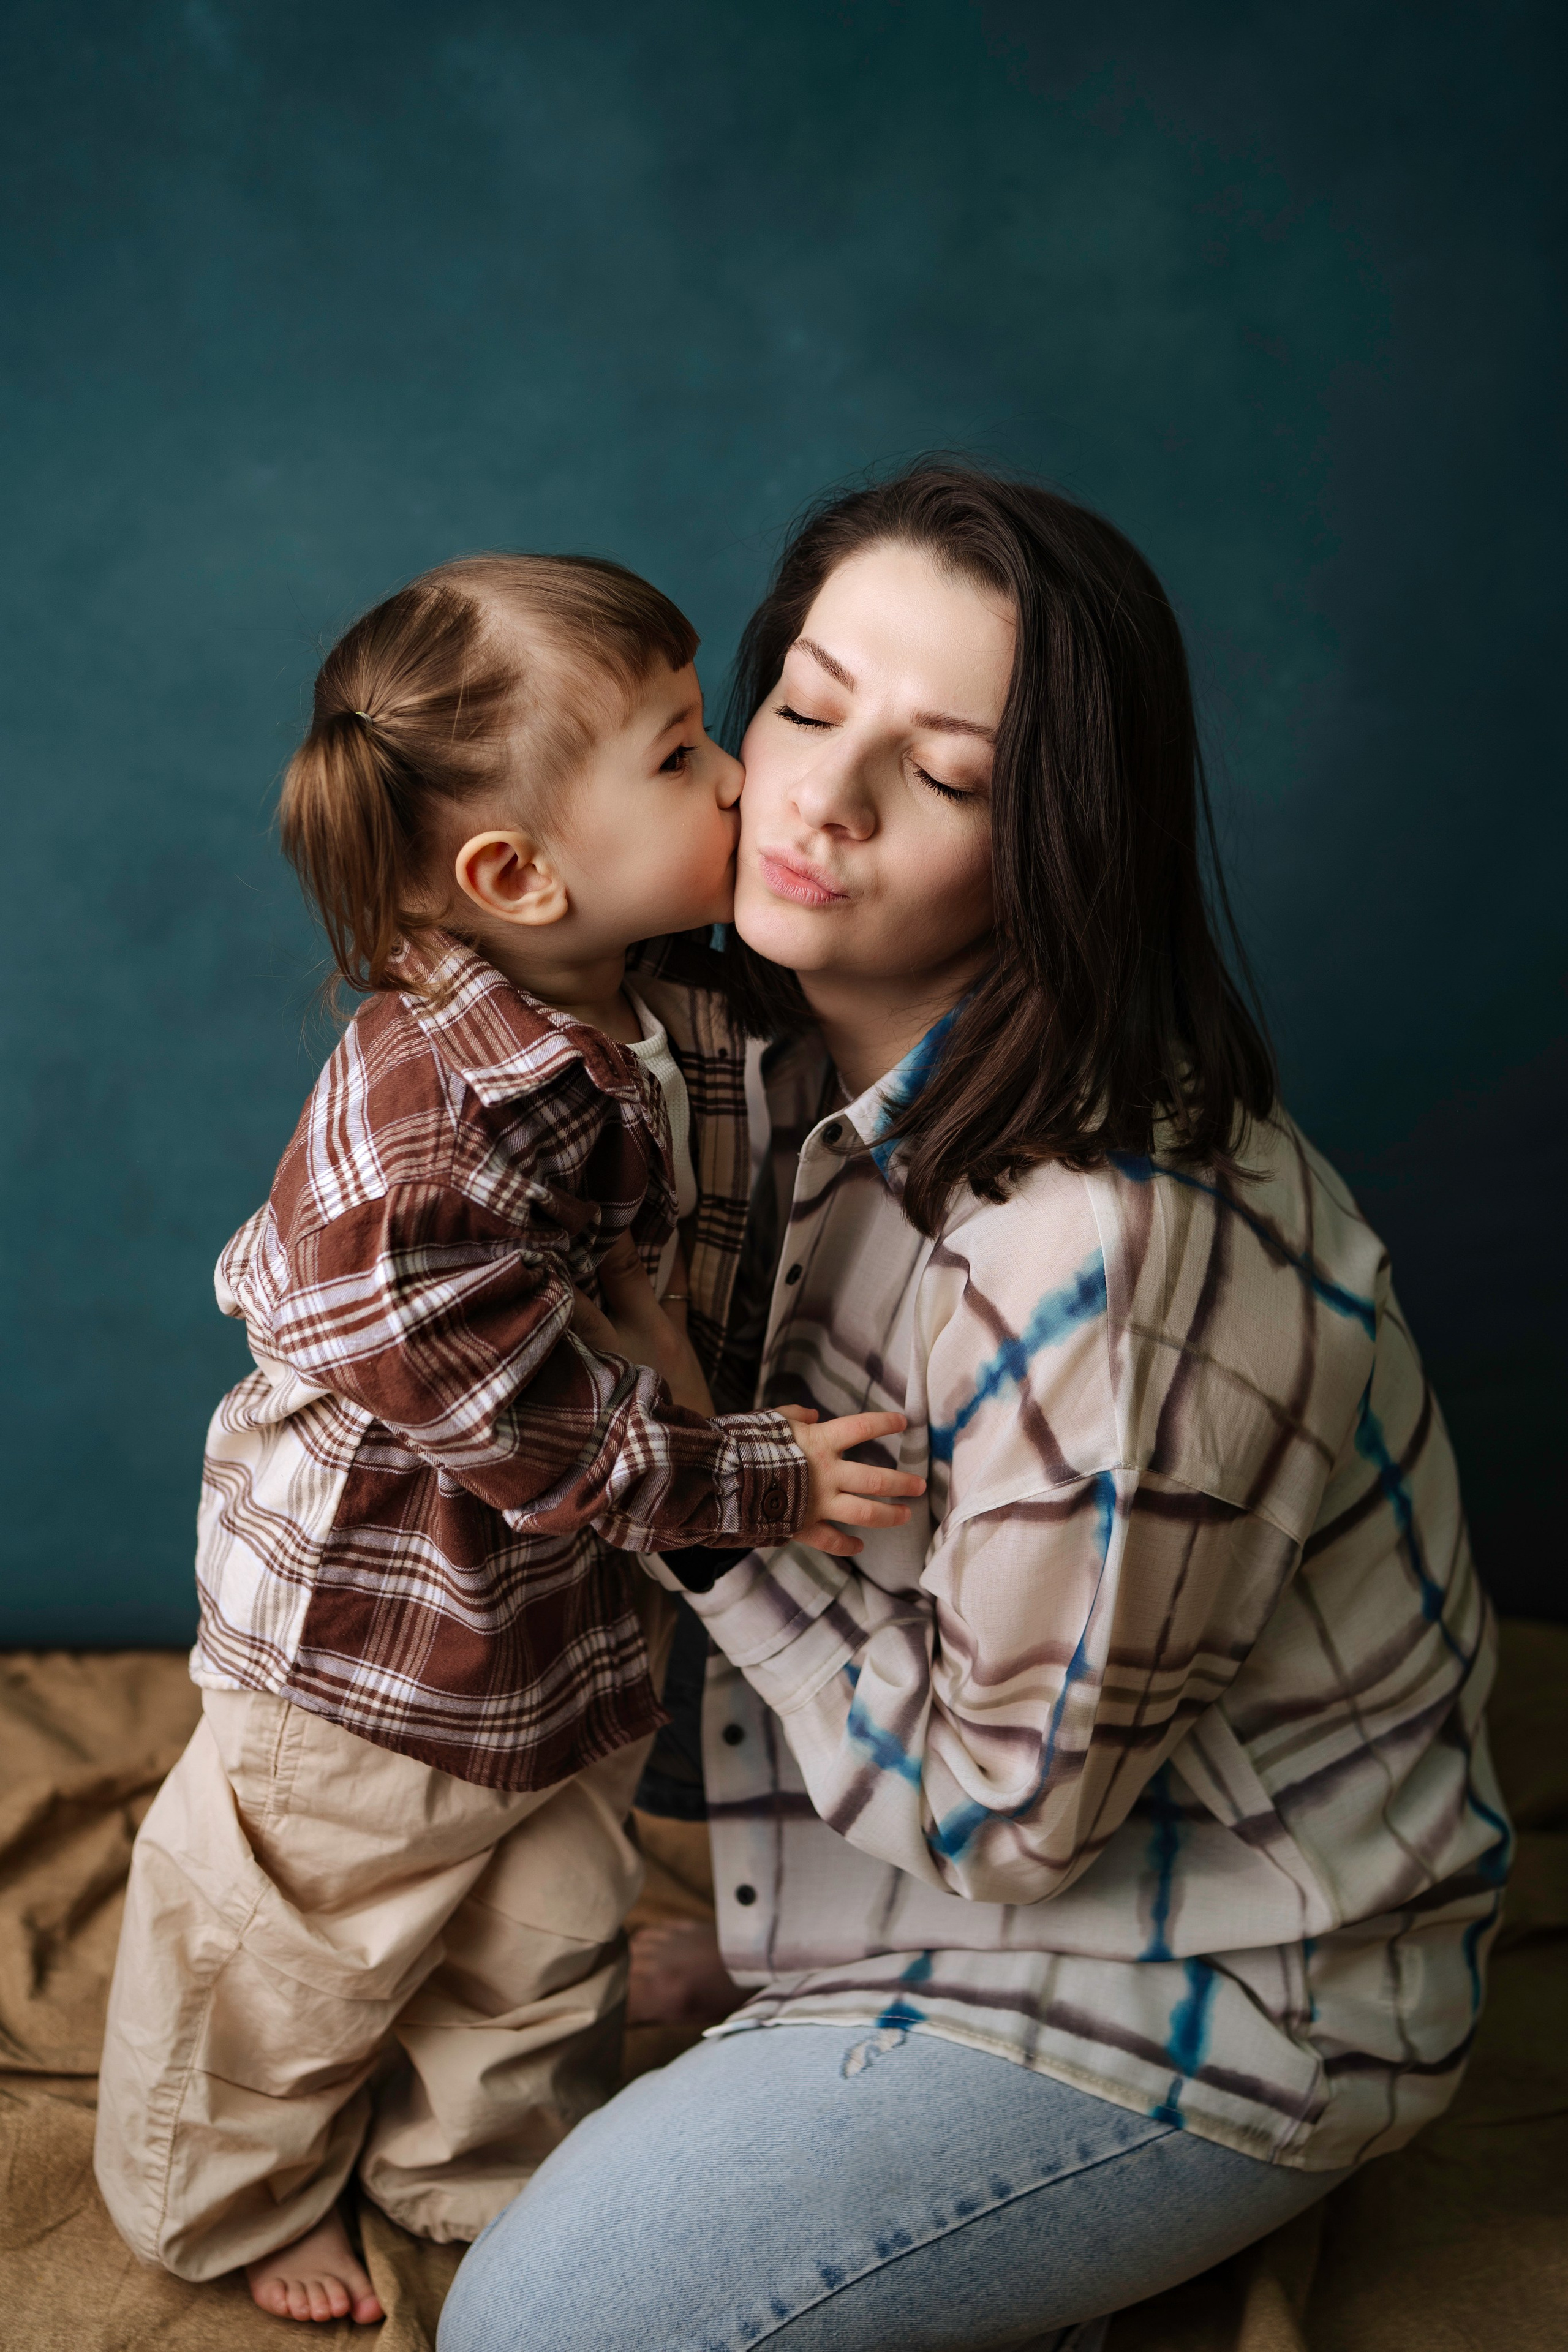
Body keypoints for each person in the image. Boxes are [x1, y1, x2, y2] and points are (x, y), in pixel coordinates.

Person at [439, 468, 1510, 2352]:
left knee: (549, 2325)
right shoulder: (728, 1049)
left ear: (1059, 850)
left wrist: (703, 1492)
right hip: (911, 1874)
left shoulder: (1103, 1247)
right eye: (802, 704)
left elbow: (1020, 1825)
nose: (819, 803)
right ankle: (821, 1989)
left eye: (939, 777)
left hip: (1215, 1983)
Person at [93, 553, 920, 2326]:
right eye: (682, 751)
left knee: (543, 1941)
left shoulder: (633, 988)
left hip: (553, 1641)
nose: (736, 779)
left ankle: (466, 2177)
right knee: (298, 1951)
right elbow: (552, 1447)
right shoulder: (423, 1154)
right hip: (375, 1654)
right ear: (514, 874)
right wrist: (772, 1473)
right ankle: (223, 2202)